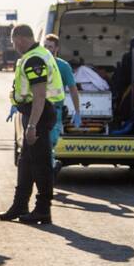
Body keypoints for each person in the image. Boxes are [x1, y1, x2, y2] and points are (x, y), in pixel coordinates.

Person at [0, 24, 64, 225]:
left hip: (39, 114)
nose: (13, 46)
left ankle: (43, 210)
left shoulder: (34, 59)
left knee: (41, 165)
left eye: (13, 41)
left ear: (19, 38)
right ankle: (20, 205)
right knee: (26, 163)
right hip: (35, 113)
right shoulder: (36, 54)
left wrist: (32, 126)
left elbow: (40, 95)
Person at [42, 34, 82, 175]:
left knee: (50, 142)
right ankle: (51, 168)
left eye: (50, 47)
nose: (47, 49)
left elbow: (73, 90)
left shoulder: (63, 67)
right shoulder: (37, 63)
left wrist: (77, 111)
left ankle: (51, 170)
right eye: (45, 46)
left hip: (54, 111)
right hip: (38, 109)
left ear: (57, 49)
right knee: (40, 147)